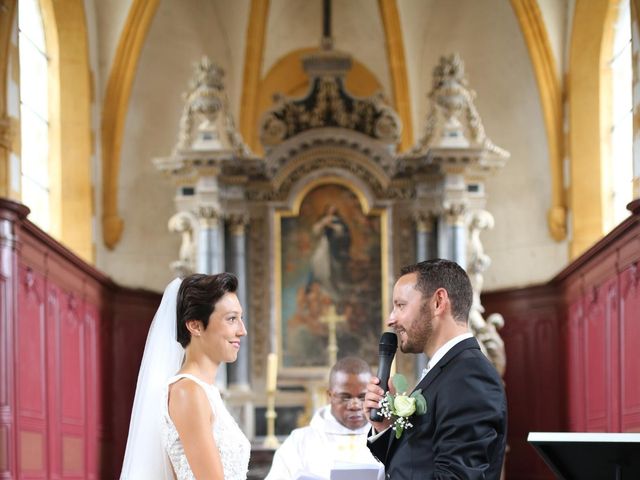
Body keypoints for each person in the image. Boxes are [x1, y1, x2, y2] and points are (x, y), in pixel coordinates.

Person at [364, 259, 507, 479]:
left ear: (438, 302)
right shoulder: (448, 370)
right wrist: (385, 428)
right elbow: (415, 465)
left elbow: (456, 476)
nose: (390, 319)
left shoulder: (469, 376)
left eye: (401, 305)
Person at [120, 273, 250, 480]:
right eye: (232, 319)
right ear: (195, 326)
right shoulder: (187, 392)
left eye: (240, 318)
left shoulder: (205, 392)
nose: (242, 331)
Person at [266, 356, 384, 480]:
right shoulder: (299, 441)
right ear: (330, 396)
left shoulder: (387, 439)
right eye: (345, 396)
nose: (354, 405)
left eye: (363, 397)